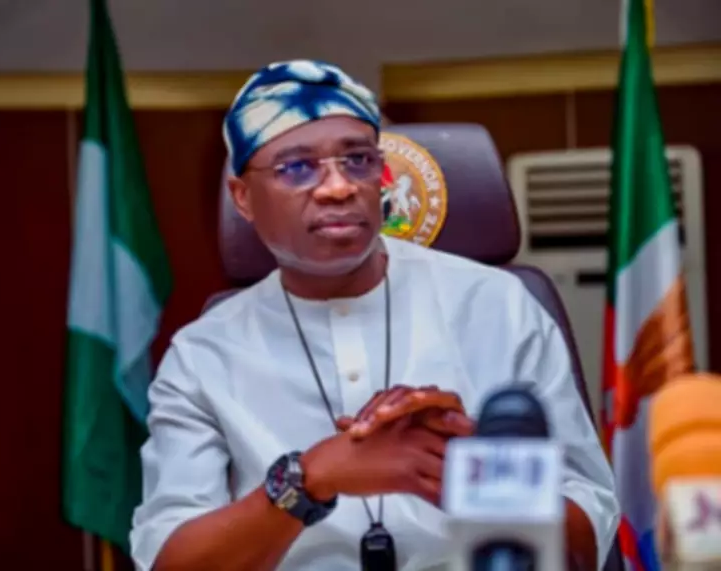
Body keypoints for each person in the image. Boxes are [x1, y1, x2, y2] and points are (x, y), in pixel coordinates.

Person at [130, 59, 620, 571]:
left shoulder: (498, 306)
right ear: (243, 197)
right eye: (296, 168)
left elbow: (589, 540)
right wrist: (309, 479)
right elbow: (169, 561)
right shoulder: (202, 355)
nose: (338, 187)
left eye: (359, 160)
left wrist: (484, 478)